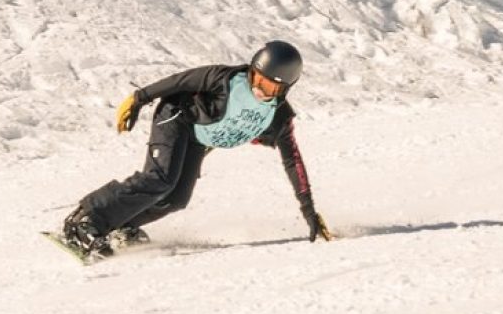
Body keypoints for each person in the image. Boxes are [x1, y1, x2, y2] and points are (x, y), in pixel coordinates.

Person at [53, 40, 333, 262]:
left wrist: (308, 210)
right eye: (256, 77)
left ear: (285, 88)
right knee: (159, 178)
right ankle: (86, 220)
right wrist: (139, 99)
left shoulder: (277, 117)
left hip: (198, 138)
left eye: (269, 85)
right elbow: (182, 81)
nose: (258, 87)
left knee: (176, 198)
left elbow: (292, 159)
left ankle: (121, 224)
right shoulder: (225, 79)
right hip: (176, 117)